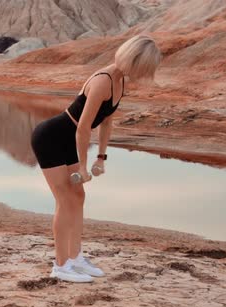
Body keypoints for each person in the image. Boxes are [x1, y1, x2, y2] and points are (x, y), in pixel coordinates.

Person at [30, 35, 162, 283]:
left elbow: (107, 121)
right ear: (134, 61)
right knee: (65, 199)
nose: (146, 73)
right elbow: (83, 128)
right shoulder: (103, 81)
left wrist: (101, 157)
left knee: (78, 197)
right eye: (145, 67)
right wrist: (82, 164)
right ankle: (60, 266)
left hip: (69, 139)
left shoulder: (120, 81)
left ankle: (76, 258)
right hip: (51, 138)